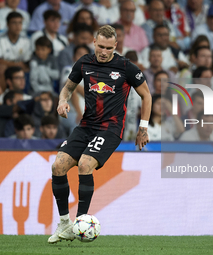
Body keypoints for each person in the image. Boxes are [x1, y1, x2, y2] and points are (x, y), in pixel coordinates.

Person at [48, 25, 151, 244]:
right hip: (86, 126)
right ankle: (65, 224)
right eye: (100, 47)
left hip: (110, 128)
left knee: (85, 164)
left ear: (115, 46)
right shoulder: (84, 63)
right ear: (94, 42)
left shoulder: (126, 67)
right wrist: (62, 101)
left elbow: (147, 95)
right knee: (58, 166)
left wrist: (143, 128)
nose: (104, 52)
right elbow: (68, 87)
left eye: (108, 48)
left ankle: (79, 223)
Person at [0, 11, 32, 91]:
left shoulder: (26, 40)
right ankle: (3, 97)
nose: (17, 26)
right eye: (14, 23)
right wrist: (15, 64)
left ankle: (23, 95)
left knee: (30, 68)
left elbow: (27, 62)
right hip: (5, 68)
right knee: (1, 68)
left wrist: (21, 65)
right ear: (7, 24)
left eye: (20, 23)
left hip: (18, 67)